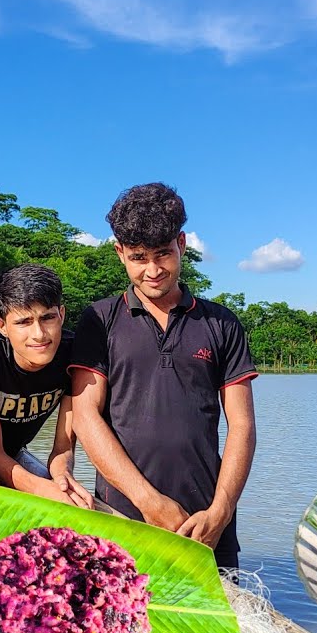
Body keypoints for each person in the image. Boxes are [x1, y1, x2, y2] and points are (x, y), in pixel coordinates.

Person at [69, 182, 258, 569]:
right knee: (118, 626)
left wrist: (220, 512)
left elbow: (242, 425)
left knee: (216, 629)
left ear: (182, 245)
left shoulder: (220, 323)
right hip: (120, 517)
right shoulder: (99, 320)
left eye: (163, 254)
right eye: (138, 257)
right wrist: (148, 502)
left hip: (205, 523)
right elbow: (85, 417)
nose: (153, 270)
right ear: (120, 253)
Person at [0, 264, 93, 508]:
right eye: (24, 322)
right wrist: (44, 489)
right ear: (2, 326)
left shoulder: (72, 353)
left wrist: (62, 477)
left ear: (62, 315)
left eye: (48, 318)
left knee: (82, 504)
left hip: (14, 455)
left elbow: (63, 447)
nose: (39, 334)